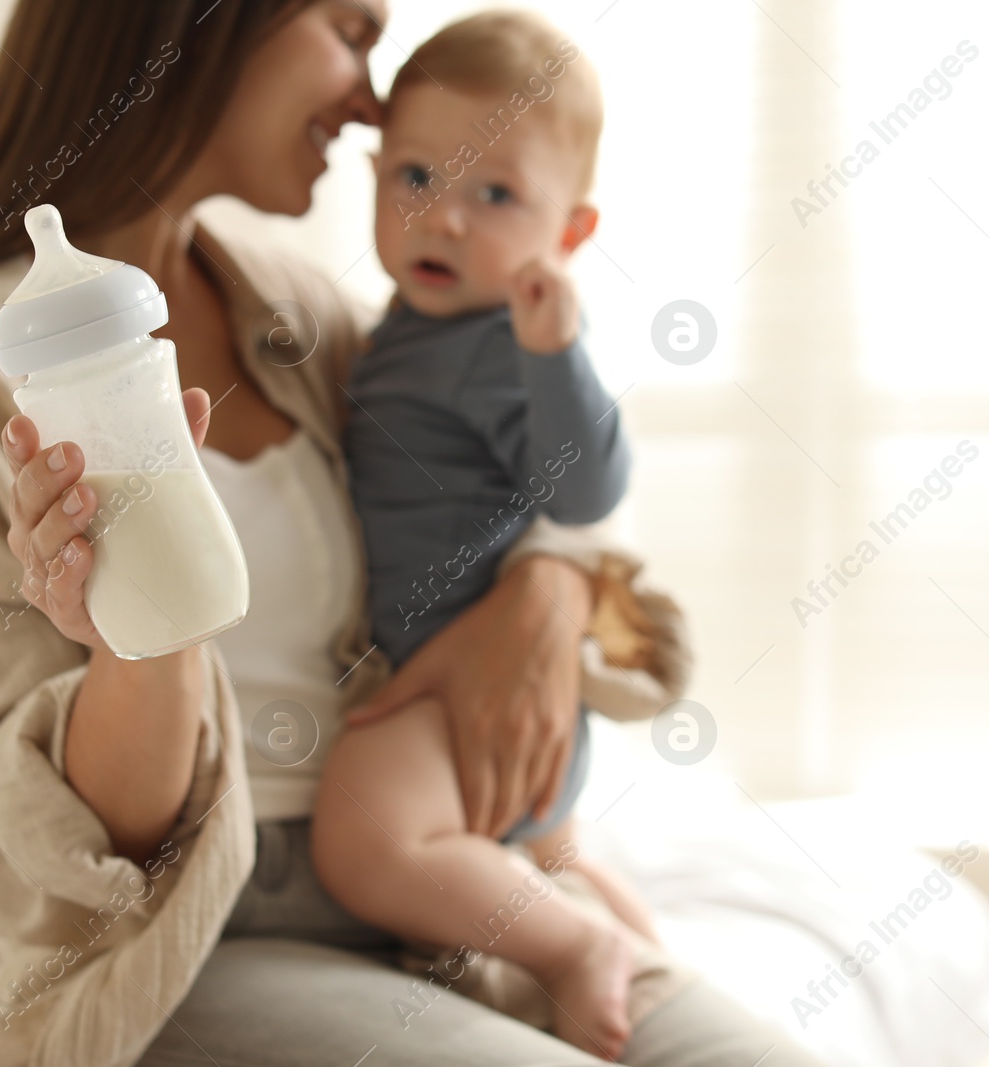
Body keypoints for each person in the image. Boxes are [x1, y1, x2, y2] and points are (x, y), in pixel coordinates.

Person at [0, 2, 831, 1065]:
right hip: (191, 939)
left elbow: (524, 478)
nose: (371, 99)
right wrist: (134, 640)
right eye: (352, 31)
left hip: (431, 893)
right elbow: (17, 864)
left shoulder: (307, 317)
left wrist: (543, 590)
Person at [313, 12, 654, 1059]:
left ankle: (572, 949)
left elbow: (589, 487)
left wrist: (557, 352)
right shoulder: (408, 331)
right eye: (414, 176)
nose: (442, 219)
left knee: (364, 834)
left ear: (570, 231)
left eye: (492, 193)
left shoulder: (508, 344)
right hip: (462, 682)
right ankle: (606, 910)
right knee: (538, 849)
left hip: (478, 689)